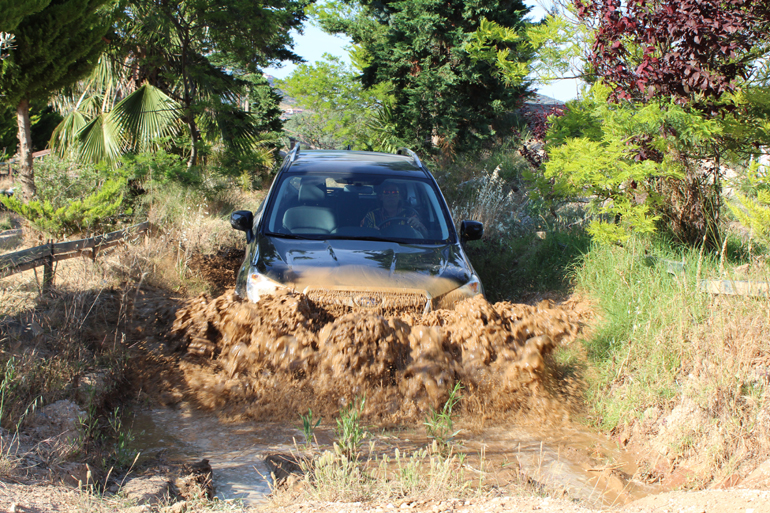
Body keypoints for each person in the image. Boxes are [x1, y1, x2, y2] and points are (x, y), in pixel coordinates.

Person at [360, 182, 427, 236]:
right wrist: (372, 233)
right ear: (380, 197)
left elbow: (425, 235)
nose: (391, 195)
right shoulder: (371, 216)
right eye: (386, 192)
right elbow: (362, 236)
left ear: (400, 196)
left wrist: (418, 225)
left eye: (395, 192)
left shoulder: (410, 214)